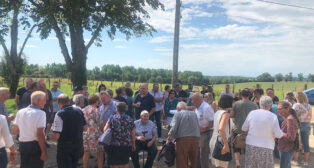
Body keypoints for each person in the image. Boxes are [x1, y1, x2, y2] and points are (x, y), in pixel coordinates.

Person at [242, 96, 283, 168]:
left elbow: (244, 128)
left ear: (259, 104)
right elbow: (277, 134)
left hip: (251, 145)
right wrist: (283, 133)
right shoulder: (273, 116)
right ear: (270, 105)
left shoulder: (252, 113)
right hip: (266, 146)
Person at [13, 91, 48, 168]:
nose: (45, 102)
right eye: (44, 100)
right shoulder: (41, 113)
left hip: (23, 145)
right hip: (35, 145)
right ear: (39, 100)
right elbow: (39, 134)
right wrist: (44, 151)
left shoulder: (20, 112)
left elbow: (15, 131)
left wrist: (25, 130)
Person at [53, 94, 87, 168]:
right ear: (69, 101)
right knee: (74, 164)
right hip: (78, 144)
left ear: (58, 103)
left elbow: (56, 135)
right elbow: (85, 128)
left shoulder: (59, 114)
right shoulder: (79, 111)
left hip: (65, 145)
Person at [230, 89, 258, 167]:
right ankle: (247, 162)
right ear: (249, 95)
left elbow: (231, 115)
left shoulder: (236, 104)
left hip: (238, 128)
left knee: (236, 146)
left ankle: (237, 161)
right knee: (248, 147)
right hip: (250, 130)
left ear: (241, 95)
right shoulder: (254, 105)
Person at [167, 102, 200, 168]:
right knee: (194, 163)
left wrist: (169, 139)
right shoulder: (194, 114)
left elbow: (173, 128)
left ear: (178, 108)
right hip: (196, 140)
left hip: (182, 140)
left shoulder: (178, 114)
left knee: (181, 162)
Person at [105, 102, 135, 168]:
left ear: (116, 109)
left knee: (114, 164)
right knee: (125, 163)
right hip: (126, 144)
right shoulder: (129, 119)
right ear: (126, 109)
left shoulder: (112, 118)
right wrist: (133, 144)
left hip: (113, 144)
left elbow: (105, 130)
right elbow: (133, 132)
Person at [191, 92, 214, 168]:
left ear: (198, 100)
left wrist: (205, 128)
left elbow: (213, 121)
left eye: (193, 100)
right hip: (198, 133)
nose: (192, 102)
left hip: (206, 134)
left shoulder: (206, 108)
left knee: (203, 155)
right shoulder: (197, 107)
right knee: (196, 153)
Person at [210, 95, 234, 168]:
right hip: (221, 142)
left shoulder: (218, 112)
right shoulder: (225, 114)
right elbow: (221, 129)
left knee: (218, 165)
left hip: (215, 141)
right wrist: (226, 145)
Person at [82, 94, 104, 168]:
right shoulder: (96, 110)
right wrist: (103, 132)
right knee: (100, 152)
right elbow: (100, 124)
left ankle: (85, 166)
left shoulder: (83, 109)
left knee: (86, 151)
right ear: (96, 101)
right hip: (94, 133)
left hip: (85, 133)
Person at [292, 92, 312, 166]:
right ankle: (305, 161)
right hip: (307, 125)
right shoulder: (309, 106)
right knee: (305, 143)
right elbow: (310, 116)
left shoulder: (296, 105)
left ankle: (295, 160)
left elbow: (292, 116)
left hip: (298, 125)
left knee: (297, 143)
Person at [277, 101, 299, 168]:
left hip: (287, 148)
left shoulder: (290, 119)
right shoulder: (288, 118)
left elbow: (291, 137)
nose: (278, 111)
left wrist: (280, 133)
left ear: (287, 109)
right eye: (277, 109)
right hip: (285, 147)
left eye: (280, 109)